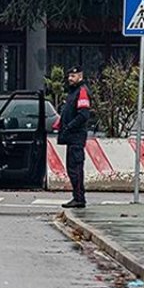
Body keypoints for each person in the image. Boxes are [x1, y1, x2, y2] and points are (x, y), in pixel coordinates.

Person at [57, 66, 92, 209]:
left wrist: (69, 127)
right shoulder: (73, 92)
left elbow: (83, 115)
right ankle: (77, 197)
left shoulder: (81, 91)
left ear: (80, 76)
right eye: (69, 76)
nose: (70, 79)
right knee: (72, 168)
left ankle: (79, 198)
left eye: (73, 76)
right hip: (71, 137)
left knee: (76, 168)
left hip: (76, 136)